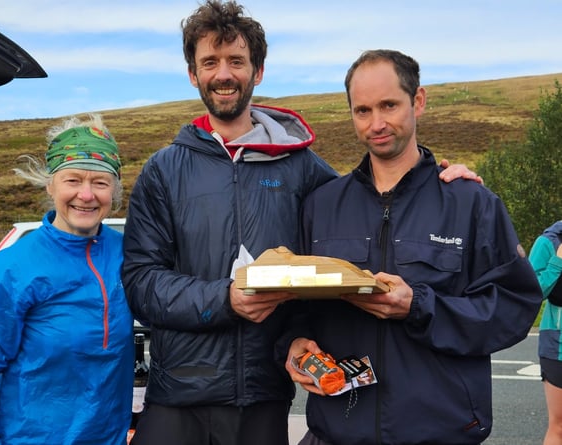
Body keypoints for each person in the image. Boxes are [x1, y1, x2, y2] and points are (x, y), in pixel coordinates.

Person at [122, 2, 481, 444]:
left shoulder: (303, 168)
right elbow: (140, 282)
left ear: (259, 70)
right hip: (178, 397)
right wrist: (224, 299)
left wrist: (440, 178)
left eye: (236, 60)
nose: (224, 74)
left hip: (266, 396)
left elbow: (376, 200)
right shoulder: (163, 170)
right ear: (193, 75)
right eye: (209, 62)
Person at [284, 49, 543, 445]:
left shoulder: (472, 204)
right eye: (363, 110)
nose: (377, 123)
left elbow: (514, 307)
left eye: (389, 105)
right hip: (335, 432)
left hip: (439, 433)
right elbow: (292, 305)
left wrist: (419, 307)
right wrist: (293, 344)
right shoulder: (321, 206)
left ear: (418, 101)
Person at [0, 114, 134, 444]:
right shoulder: (11, 268)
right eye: (73, 180)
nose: (86, 194)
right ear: (50, 185)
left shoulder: (128, 253)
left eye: (100, 182)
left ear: (115, 190)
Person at [529, 221, 562, 445]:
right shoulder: (548, 242)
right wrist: (558, 262)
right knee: (559, 426)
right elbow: (530, 291)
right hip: (558, 346)